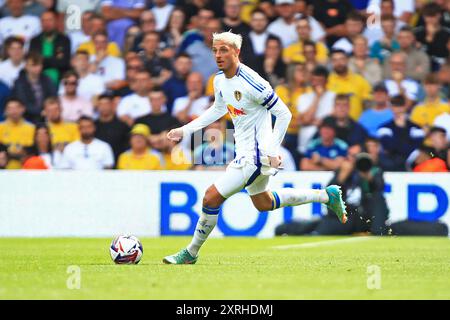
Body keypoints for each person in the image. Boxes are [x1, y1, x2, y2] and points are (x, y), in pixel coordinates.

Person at [163, 31, 348, 265]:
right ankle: (325, 195)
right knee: (264, 203)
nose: (218, 55)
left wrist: (271, 150)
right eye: (215, 50)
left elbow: (283, 113)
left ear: (236, 52)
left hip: (256, 156)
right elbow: (218, 109)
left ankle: (190, 252)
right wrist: (186, 130)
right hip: (245, 152)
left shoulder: (253, 82)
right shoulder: (219, 80)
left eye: (224, 50)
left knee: (210, 198)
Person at [377, 95, 425, 171]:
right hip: (392, 162)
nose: (398, 109)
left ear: (405, 107)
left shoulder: (416, 128)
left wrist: (402, 128)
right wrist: (400, 128)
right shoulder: (384, 128)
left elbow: (417, 147)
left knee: (430, 155)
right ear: (391, 108)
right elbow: (389, 147)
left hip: (413, 162)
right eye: (395, 105)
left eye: (400, 105)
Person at [296, 65, 335, 154]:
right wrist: (317, 98)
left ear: (326, 81)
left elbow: (333, 120)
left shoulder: (334, 97)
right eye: (314, 81)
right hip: (305, 144)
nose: (316, 84)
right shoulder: (303, 97)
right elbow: (305, 119)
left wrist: (314, 122)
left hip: (327, 146)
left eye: (320, 81)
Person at [11, 52, 57, 123]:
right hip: (26, 119)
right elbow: (22, 103)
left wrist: (47, 111)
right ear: (26, 66)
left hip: (46, 118)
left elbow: (53, 97)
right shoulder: (19, 82)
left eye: (39, 64)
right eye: (33, 65)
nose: (37, 68)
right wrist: (41, 112)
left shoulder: (47, 80)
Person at [327, 49, 372, 120]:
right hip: (334, 126)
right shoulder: (327, 82)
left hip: (356, 125)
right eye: (335, 60)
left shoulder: (360, 80)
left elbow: (368, 104)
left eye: (341, 59)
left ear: (347, 60)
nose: (339, 63)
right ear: (331, 63)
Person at [29, 11, 71, 85]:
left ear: (56, 22)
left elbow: (64, 63)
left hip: (60, 80)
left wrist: (43, 59)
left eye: (50, 20)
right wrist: (55, 59)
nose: (47, 23)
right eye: (44, 21)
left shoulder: (64, 39)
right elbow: (34, 62)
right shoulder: (34, 41)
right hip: (38, 81)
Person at [0, 98, 35, 169]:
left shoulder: (32, 128)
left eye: (17, 107)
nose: (14, 111)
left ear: (23, 109)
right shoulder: (1, 127)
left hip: (27, 169)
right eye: (10, 108)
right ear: (6, 111)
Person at [95, 94, 130, 161]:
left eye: (106, 104)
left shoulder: (122, 126)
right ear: (97, 107)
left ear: (112, 105)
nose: (104, 107)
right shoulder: (93, 126)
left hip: (118, 163)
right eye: (101, 104)